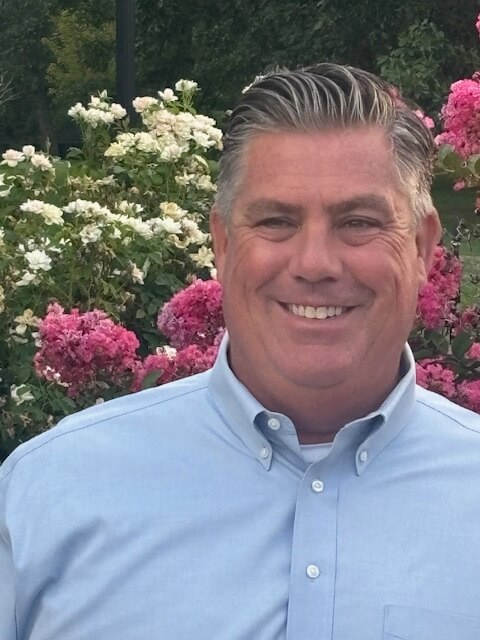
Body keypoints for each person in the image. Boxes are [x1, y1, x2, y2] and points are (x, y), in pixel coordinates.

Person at [1, 64, 480, 640]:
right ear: (224, 246)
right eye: (277, 221)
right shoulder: (49, 492)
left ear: (425, 246)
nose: (315, 265)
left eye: (358, 222)